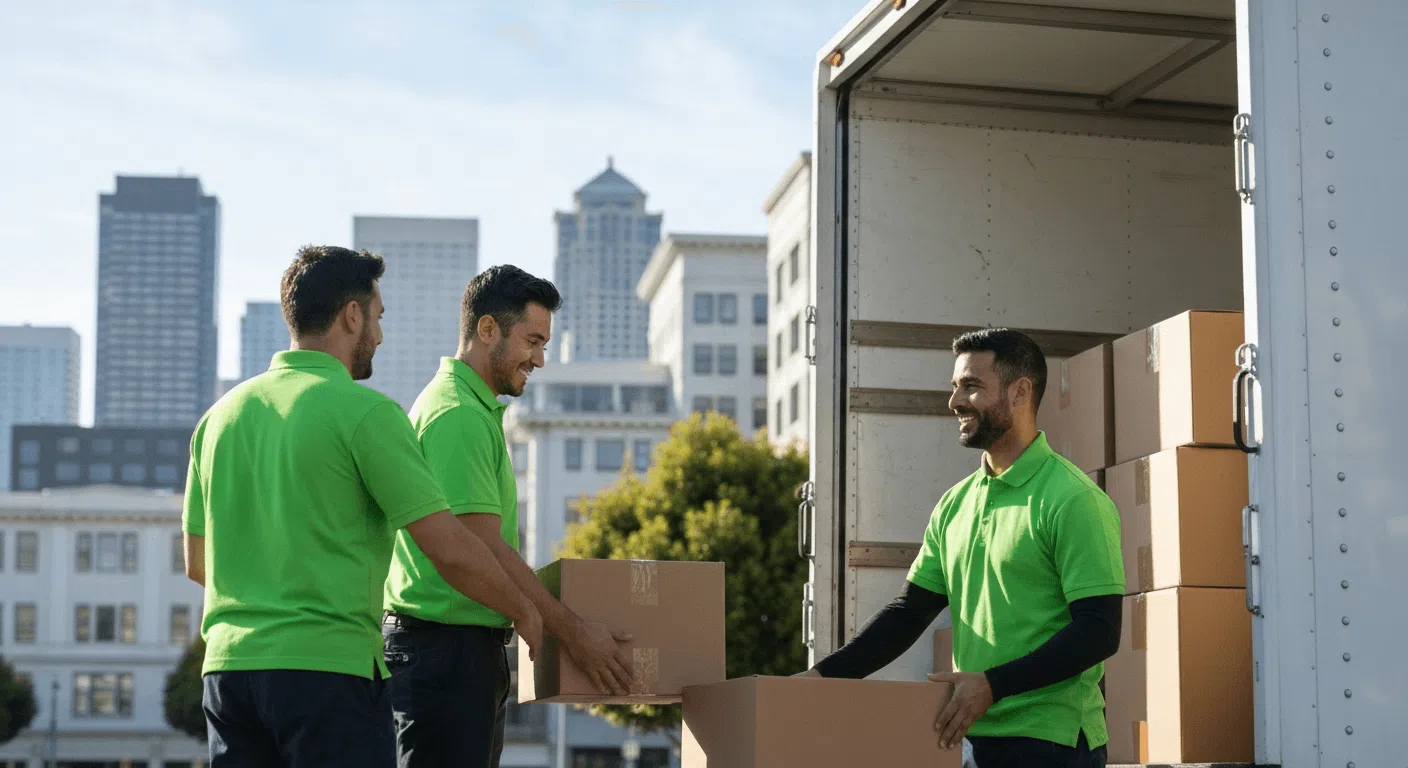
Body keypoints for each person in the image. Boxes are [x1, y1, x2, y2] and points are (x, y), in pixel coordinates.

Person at [183, 246, 544, 768]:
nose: (379, 335)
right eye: (376, 317)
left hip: (227, 675)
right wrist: (526, 612)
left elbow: (198, 565)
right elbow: (450, 550)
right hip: (330, 674)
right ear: (351, 315)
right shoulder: (366, 414)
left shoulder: (218, 420)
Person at [799, 328, 1124, 768]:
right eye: (955, 387)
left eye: (971, 386)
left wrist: (993, 684)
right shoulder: (956, 503)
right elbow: (908, 613)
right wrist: (819, 679)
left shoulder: (1073, 499)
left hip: (1053, 743)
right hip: (971, 739)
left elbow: (1099, 630)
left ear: (1020, 391)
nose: (954, 401)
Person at [382, 265, 638, 768]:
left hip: (452, 654)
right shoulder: (458, 414)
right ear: (487, 330)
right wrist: (569, 629)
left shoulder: (471, 410)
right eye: (533, 341)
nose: (540, 358)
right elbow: (483, 547)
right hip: (444, 655)